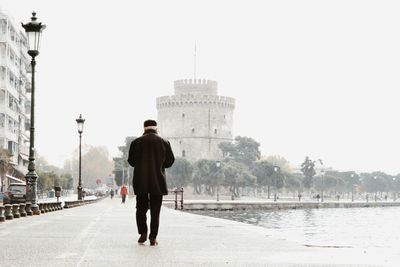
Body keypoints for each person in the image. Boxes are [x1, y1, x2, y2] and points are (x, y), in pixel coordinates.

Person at [128, 119, 175, 246]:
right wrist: (159, 164)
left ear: (144, 128)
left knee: (140, 208)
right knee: (155, 210)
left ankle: (142, 233)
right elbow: (170, 161)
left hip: (140, 179)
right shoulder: (164, 142)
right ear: (156, 128)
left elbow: (131, 161)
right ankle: (153, 237)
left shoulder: (136, 142)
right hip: (157, 180)